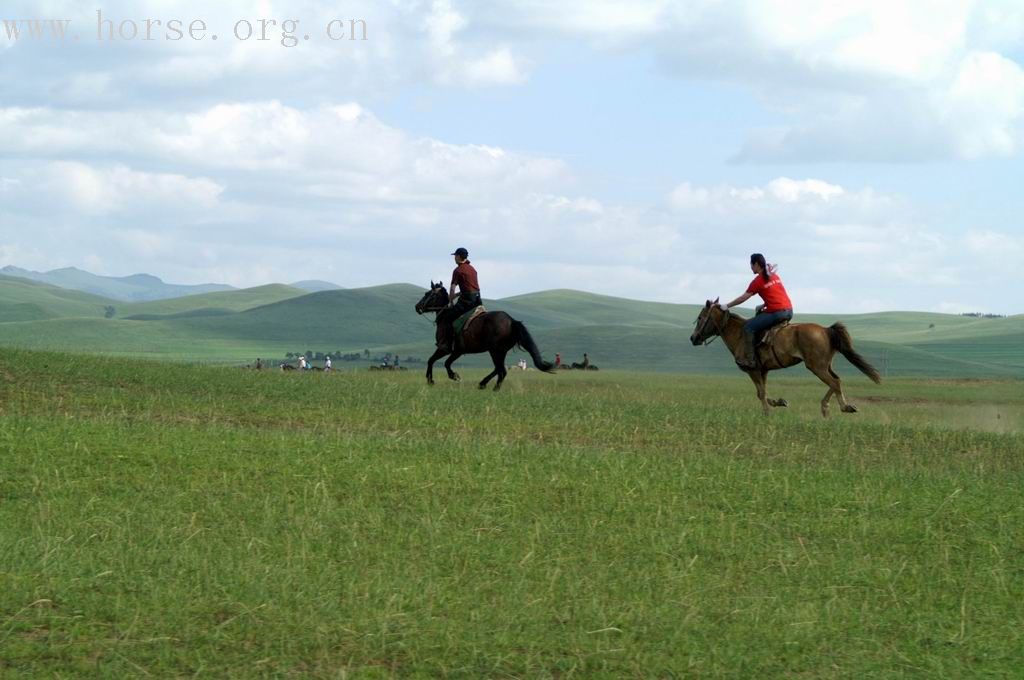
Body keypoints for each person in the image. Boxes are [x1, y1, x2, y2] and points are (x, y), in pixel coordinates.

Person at [720, 253, 794, 369]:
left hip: (777, 312)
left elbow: (743, 298)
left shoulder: (758, 281)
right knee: (759, 315)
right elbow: (776, 295)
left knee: (748, 327)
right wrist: (764, 305)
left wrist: (727, 306)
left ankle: (751, 360)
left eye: (751, 264)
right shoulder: (774, 276)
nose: (750, 267)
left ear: (756, 264)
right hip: (789, 311)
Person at [436, 247, 482, 350]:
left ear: (459, 256)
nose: (454, 258)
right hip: (477, 300)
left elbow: (452, 288)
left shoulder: (458, 270)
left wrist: (451, 302)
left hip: (466, 301)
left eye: (455, 256)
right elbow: (470, 288)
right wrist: (458, 295)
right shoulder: (473, 269)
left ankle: (447, 344)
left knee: (447, 317)